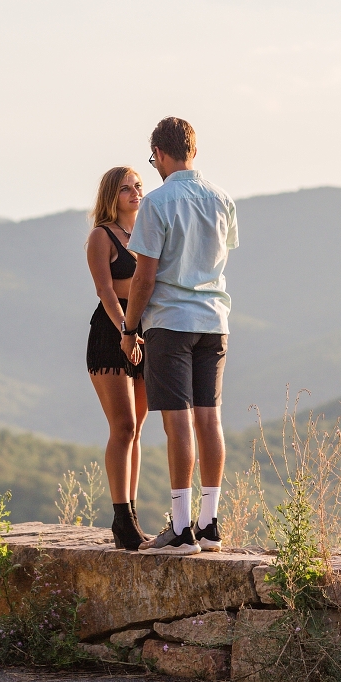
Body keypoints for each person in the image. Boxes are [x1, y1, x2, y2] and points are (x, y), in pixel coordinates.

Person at [120, 117, 238, 555]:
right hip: (214, 320)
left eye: (153, 159)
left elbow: (144, 279)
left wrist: (130, 330)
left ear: (162, 154)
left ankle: (181, 527)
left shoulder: (157, 203)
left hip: (170, 323)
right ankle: (209, 524)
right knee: (210, 417)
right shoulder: (222, 199)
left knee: (178, 420)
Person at [86, 166, 149, 551]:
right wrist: (126, 329)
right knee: (122, 426)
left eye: (138, 185)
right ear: (112, 195)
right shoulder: (101, 236)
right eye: (125, 188)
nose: (134, 192)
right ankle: (120, 517)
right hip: (113, 334)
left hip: (145, 334)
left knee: (138, 429)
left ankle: (133, 515)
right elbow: (105, 289)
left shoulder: (146, 235)